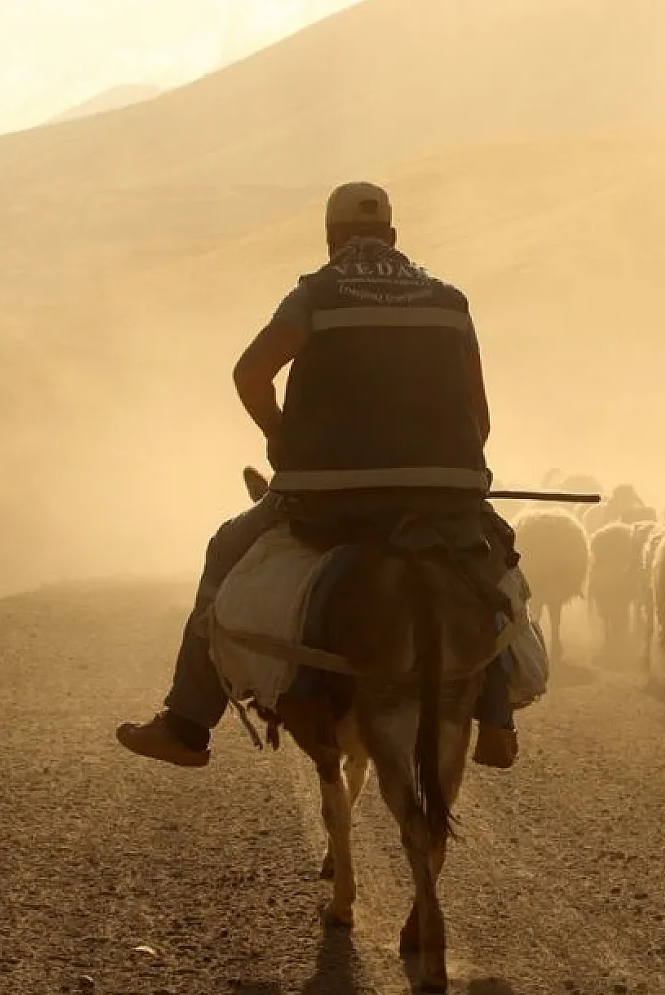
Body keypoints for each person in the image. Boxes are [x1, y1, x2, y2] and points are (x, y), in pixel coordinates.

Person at [117, 181, 521, 770]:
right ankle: (496, 720)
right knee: (494, 564)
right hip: (442, 497)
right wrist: (443, 475)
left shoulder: (317, 294)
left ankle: (186, 724)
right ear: (395, 236)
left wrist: (280, 436)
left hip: (331, 498)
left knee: (226, 548)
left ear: (331, 239)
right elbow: (479, 417)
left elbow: (250, 373)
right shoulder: (448, 301)